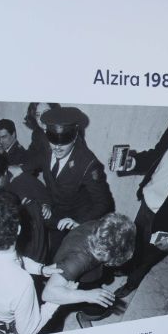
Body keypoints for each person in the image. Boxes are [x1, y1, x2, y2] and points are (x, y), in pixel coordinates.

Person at [0, 191, 59, 334]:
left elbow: (13, 260)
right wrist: (56, 301)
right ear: (19, 230)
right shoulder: (23, 283)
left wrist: (40, 269)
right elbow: (28, 331)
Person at [110, 107, 168, 298]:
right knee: (135, 241)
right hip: (148, 200)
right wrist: (134, 162)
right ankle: (127, 267)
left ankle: (132, 282)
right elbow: (156, 154)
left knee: (151, 255)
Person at [39, 106, 114, 253]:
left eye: (64, 140)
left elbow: (103, 202)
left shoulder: (88, 164)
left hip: (76, 218)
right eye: (53, 140)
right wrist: (46, 202)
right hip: (55, 213)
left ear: (74, 136)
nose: (58, 147)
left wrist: (79, 222)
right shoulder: (47, 147)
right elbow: (50, 180)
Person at [42, 212, 135, 329]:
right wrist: (87, 295)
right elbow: (48, 293)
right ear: (104, 253)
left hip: (89, 269)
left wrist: (78, 226)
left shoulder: (102, 227)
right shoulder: (79, 260)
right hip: (80, 278)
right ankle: (85, 316)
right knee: (100, 308)